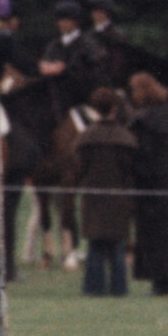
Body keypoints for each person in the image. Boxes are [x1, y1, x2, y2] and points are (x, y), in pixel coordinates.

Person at [126, 72, 168, 295]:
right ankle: (166, 282)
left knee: (152, 235)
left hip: (152, 187)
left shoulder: (142, 121)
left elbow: (141, 155)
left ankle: (158, 283)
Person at [73, 86, 135, 296]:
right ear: (115, 109)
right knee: (117, 246)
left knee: (95, 247)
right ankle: (119, 288)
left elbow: (78, 170)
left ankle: (93, 288)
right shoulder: (125, 138)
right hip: (119, 198)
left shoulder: (86, 138)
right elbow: (130, 172)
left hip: (93, 199)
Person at [38, 0, 84, 79]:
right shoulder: (54, 45)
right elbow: (45, 64)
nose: (63, 24)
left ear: (76, 21)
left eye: (67, 21)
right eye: (60, 20)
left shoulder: (86, 42)